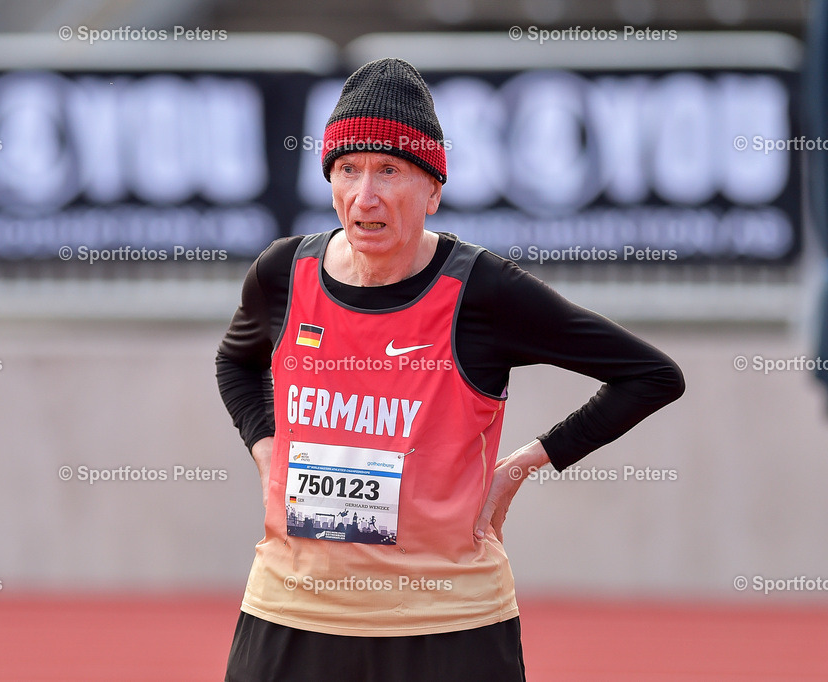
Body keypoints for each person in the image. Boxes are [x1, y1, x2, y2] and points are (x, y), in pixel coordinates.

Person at [215, 58, 684, 681]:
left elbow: (651, 375)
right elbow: (235, 363)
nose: (365, 196)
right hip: (291, 613)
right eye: (347, 170)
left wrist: (517, 468)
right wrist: (268, 450)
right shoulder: (282, 275)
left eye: (390, 171)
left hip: (446, 625)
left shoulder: (481, 291)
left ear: (433, 190)